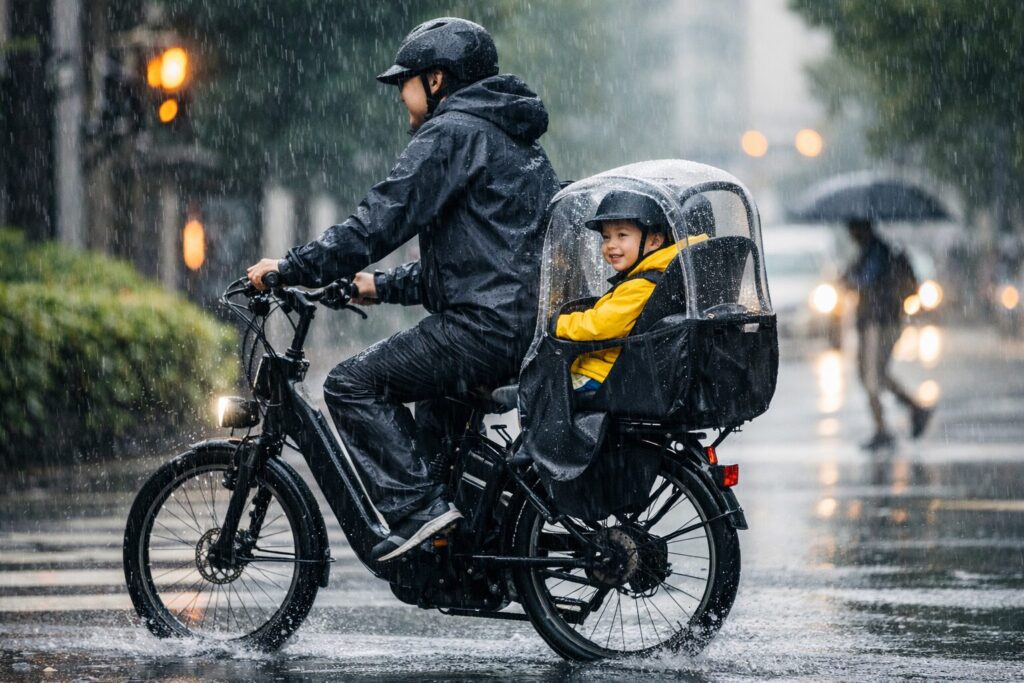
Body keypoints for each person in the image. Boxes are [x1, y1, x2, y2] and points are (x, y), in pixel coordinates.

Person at [246, 17, 559, 561]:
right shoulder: (506, 135)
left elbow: (378, 223)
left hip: (485, 329)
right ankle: (463, 548)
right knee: (435, 415)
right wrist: (378, 286)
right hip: (519, 322)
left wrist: (290, 267)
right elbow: (485, 262)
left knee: (349, 385)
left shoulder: (452, 132)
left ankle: (420, 512)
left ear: (435, 80)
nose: (401, 99)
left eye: (405, 84)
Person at [556, 191, 709, 392]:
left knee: (549, 387)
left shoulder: (641, 285)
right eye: (606, 237)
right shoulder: (655, 275)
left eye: (622, 235)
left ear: (654, 241)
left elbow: (600, 325)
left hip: (605, 375)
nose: (611, 245)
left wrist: (558, 323)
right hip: (620, 371)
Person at [842, 218, 933, 450]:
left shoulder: (878, 252)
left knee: (872, 376)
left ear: (862, 228)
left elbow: (864, 281)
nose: (849, 232)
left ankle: (882, 429)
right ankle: (916, 410)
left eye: (852, 227)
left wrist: (849, 278)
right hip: (875, 321)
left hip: (879, 322)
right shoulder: (870, 252)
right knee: (873, 374)